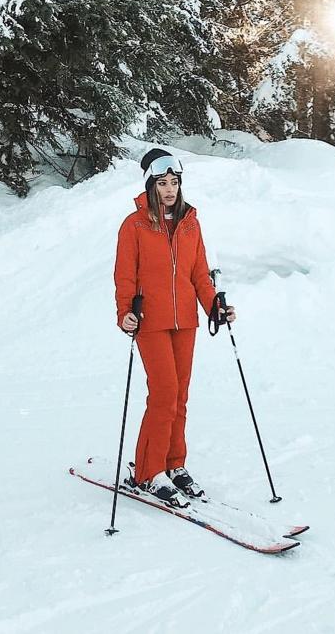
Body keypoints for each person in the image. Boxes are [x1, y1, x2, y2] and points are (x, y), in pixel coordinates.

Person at [113, 148, 236, 507]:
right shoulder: (134, 225)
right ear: (151, 185)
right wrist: (124, 312)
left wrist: (214, 307)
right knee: (164, 393)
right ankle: (148, 472)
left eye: (174, 182)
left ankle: (173, 464)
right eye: (163, 183)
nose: (169, 189)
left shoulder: (190, 224)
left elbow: (199, 274)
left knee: (179, 395)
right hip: (150, 321)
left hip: (185, 321)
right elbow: (125, 275)